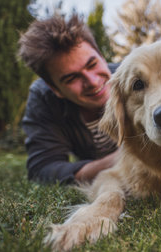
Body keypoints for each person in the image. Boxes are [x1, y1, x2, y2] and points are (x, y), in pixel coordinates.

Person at [18, 14, 119, 184]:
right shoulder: (44, 99)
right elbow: (42, 169)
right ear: (55, 89)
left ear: (102, 56)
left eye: (92, 64)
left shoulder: (138, 77)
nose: (93, 82)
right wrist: (126, 160)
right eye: (71, 78)